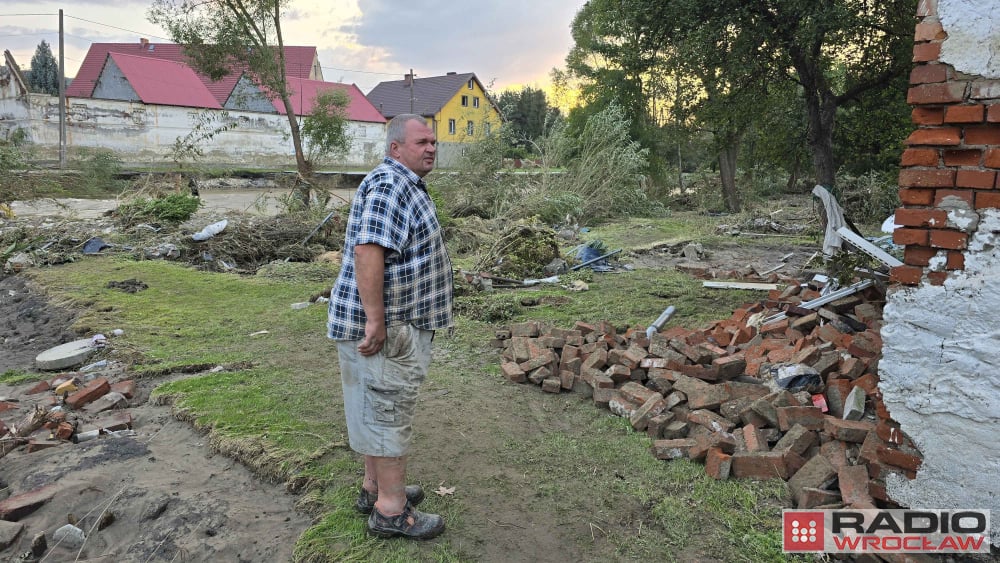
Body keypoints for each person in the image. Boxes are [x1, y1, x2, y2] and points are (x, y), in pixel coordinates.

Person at [326, 114, 453, 540]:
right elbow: (368, 252)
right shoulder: (390, 185)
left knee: (372, 407)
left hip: (387, 324)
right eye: (422, 142)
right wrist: (377, 320)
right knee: (387, 412)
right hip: (387, 327)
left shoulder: (400, 183)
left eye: (434, 142)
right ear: (396, 148)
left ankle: (374, 486)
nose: (431, 148)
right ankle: (391, 511)